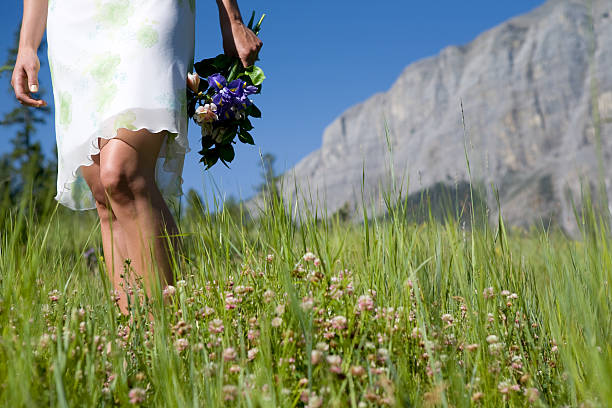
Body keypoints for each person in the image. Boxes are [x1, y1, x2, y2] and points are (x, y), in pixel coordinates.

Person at [12, 0, 262, 314]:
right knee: (105, 196)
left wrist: (232, 20)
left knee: (122, 174)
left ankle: (169, 334)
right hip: (74, 22)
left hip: (150, 10)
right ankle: (138, 348)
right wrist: (27, 44)